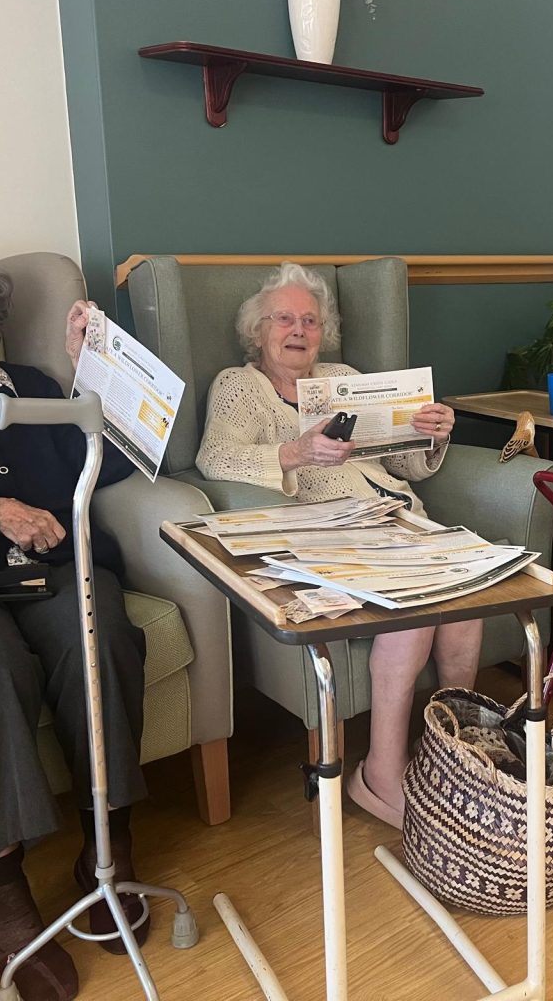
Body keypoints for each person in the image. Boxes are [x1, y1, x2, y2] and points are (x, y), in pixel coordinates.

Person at [197, 262, 482, 830]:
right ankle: (380, 774)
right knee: (415, 613)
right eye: (284, 318)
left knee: (468, 597)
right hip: (332, 536)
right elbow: (213, 459)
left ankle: (450, 755)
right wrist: (293, 454)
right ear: (258, 331)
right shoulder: (238, 385)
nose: (298, 329)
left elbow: (399, 461)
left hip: (398, 523)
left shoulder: (343, 377)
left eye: (310, 320)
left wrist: (427, 432)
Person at [0, 238, 148, 1001]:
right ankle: (1, 883)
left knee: (97, 628)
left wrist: (92, 373)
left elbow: (125, 460)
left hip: (55, 570)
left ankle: (108, 844)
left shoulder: (37, 387)